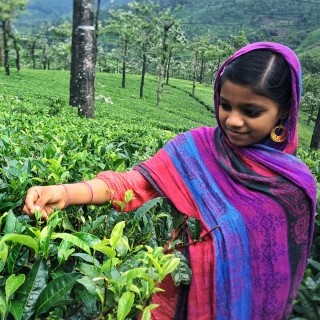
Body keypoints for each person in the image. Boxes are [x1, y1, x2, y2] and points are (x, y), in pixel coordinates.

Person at [23, 42, 317, 320]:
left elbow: (277, 275)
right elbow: (135, 185)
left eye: (251, 112)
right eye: (225, 105)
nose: (232, 120)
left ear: (285, 111)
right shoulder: (195, 149)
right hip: (171, 297)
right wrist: (64, 192)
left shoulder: (291, 187)